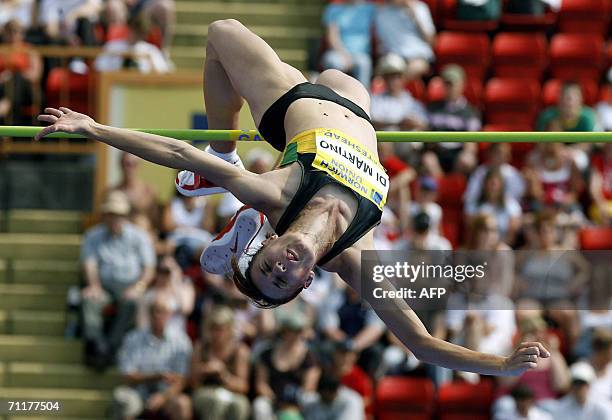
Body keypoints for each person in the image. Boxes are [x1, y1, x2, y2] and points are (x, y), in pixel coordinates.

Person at [37, 18, 551, 377]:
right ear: (307, 281)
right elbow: (420, 343)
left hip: (293, 107)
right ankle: (228, 178)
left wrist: (94, 128)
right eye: (285, 281)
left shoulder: (275, 192)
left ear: (270, 240)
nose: (282, 270)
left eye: (268, 268)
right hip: (353, 102)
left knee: (220, 34)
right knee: (339, 73)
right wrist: (499, 365)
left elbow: (176, 151)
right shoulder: (353, 259)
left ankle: (227, 156)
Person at [79, 190, 156, 368]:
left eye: (118, 215)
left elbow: (149, 267)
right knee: (89, 299)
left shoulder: (139, 236)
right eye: (111, 214)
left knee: (131, 302)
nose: (114, 219)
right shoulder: (93, 235)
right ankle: (96, 345)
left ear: (125, 216)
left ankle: (111, 346)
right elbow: (89, 264)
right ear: (105, 215)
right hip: (103, 286)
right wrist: (94, 285)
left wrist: (139, 286)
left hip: (130, 286)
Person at [111, 296, 192, 420]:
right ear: (149, 313)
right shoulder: (133, 338)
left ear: (170, 314)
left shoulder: (181, 341)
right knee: (122, 398)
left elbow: (182, 379)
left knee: (182, 404)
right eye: (154, 311)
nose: (157, 315)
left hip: (168, 393)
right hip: (138, 391)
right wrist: (157, 376)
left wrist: (163, 397)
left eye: (162, 311)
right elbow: (127, 376)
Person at [253, 315, 321, 420]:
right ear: (284, 331)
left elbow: (309, 387)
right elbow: (261, 384)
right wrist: (276, 401)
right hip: (273, 400)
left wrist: (292, 407)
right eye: (292, 331)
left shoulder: (310, 357)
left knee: (311, 399)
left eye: (299, 331)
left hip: (298, 403)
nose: (296, 335)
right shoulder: (267, 353)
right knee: (260, 404)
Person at [191, 306, 250, 420]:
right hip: (206, 390)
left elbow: (243, 387)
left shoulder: (239, 351)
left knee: (240, 406)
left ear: (229, 330)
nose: (216, 334)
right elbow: (192, 383)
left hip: (232, 393)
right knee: (215, 402)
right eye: (213, 329)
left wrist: (223, 374)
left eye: (220, 329)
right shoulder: (201, 347)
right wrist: (204, 370)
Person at [426, 64, 480, 173]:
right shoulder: (432, 108)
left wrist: (467, 153)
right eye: (446, 84)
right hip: (438, 153)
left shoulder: (470, 112)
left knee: (467, 160)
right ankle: (442, 187)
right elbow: (427, 134)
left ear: (462, 85)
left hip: (458, 154)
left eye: (452, 84)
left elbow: (471, 142)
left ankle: (453, 185)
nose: (448, 87)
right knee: (428, 159)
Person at [320, 0, 375, 88]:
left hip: (361, 54)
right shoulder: (333, 9)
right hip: (338, 53)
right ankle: (331, 98)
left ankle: (362, 99)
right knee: (332, 62)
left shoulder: (370, 8)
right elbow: (332, 37)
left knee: (364, 63)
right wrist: (345, 55)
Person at [374, 0, 435, 79]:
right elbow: (381, 45)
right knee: (381, 76)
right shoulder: (382, 13)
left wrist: (416, 17)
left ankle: (395, 87)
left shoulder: (420, 8)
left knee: (415, 67)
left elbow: (431, 41)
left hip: (420, 57)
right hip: (394, 57)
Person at [370, 53, 428, 132]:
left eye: (397, 76)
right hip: (384, 141)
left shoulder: (412, 101)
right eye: (389, 77)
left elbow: (425, 125)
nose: (393, 81)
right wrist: (398, 123)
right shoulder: (376, 100)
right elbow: (372, 122)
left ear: (404, 78)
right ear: (384, 78)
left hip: (408, 142)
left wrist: (416, 124)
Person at [465, 167, 522, 245]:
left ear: (502, 186)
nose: (493, 188)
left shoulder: (511, 205)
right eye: (491, 184)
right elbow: (471, 232)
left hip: (502, 247)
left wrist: (496, 247)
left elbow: (511, 235)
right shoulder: (474, 205)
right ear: (485, 185)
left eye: (496, 184)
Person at [0, 18, 42, 125]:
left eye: (16, 31)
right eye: (9, 31)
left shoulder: (29, 50)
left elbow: (35, 75)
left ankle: (8, 102)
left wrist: (16, 74)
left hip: (26, 90)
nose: (13, 34)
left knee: (17, 76)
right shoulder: (1, 49)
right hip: (2, 87)